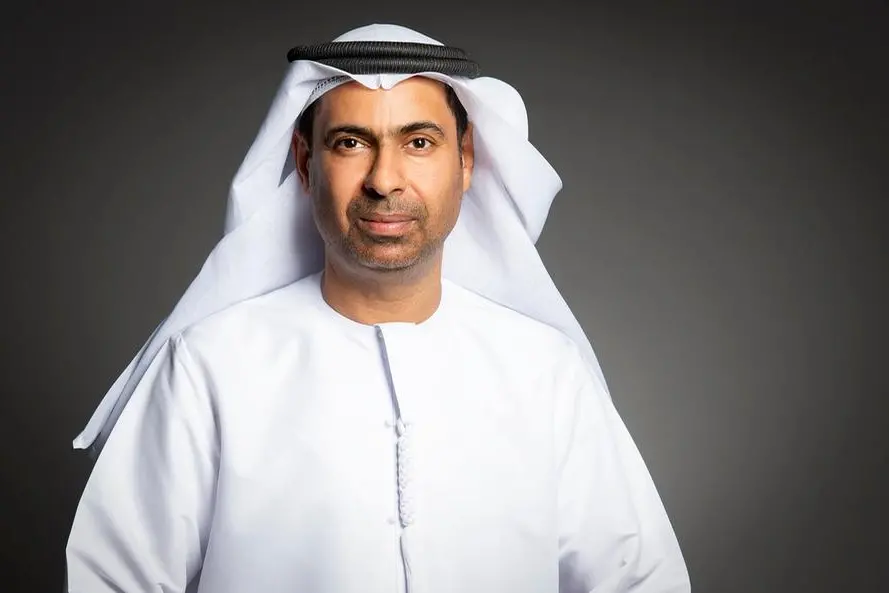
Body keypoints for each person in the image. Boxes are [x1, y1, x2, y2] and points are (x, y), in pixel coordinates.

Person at [65, 23, 691, 593]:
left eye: (418, 141)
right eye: (350, 143)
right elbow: (110, 579)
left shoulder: (544, 370)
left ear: (465, 162)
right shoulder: (210, 365)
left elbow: (640, 580)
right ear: (306, 164)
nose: (384, 179)